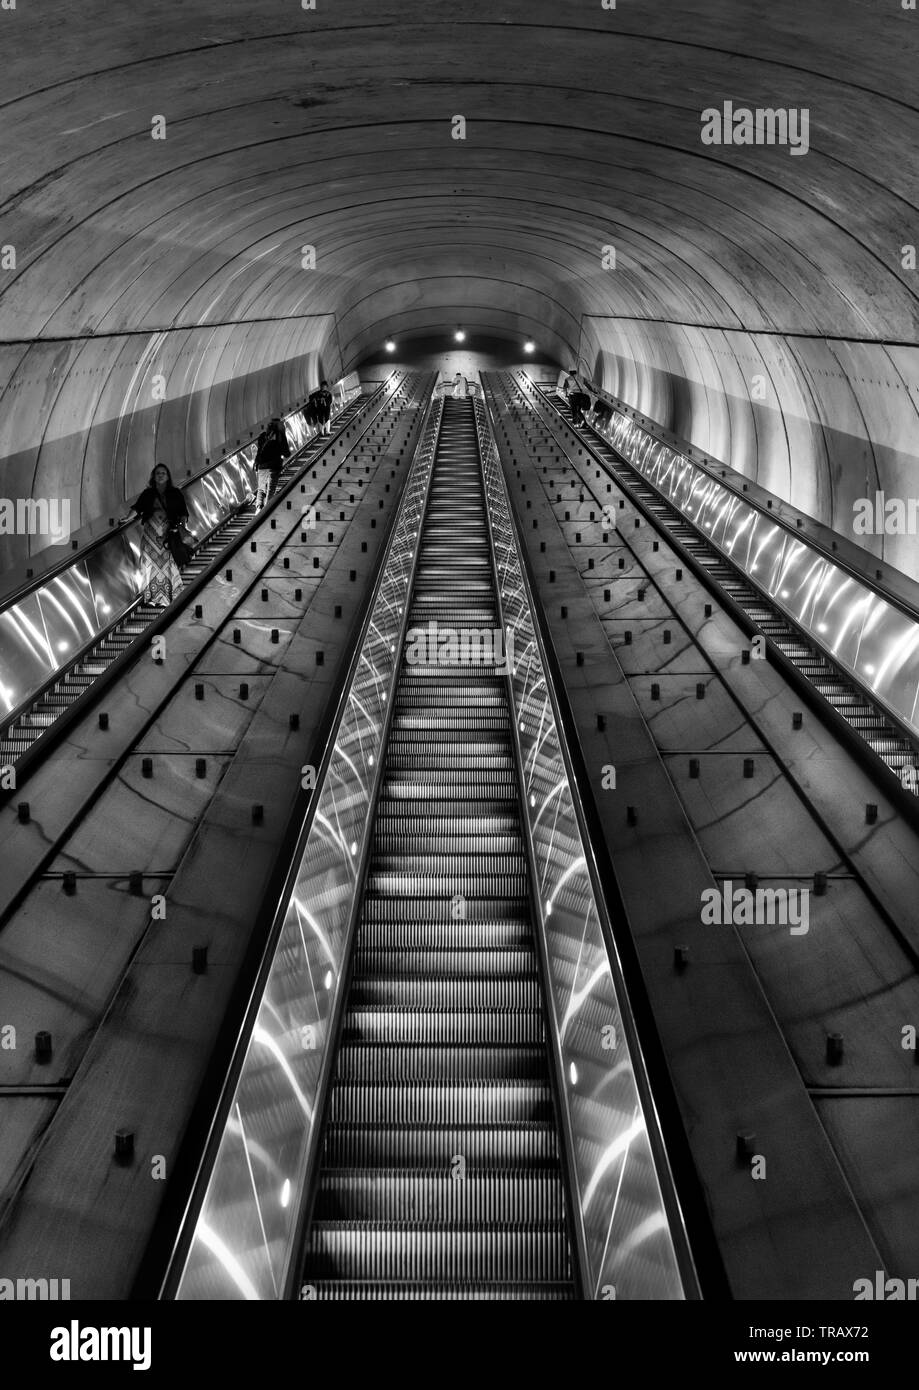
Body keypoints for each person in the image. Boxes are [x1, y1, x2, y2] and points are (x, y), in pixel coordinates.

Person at [121, 464, 189, 608]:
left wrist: (181, 526)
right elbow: (137, 507)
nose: (160, 475)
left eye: (163, 473)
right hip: (151, 533)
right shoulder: (148, 493)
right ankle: (151, 597)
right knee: (149, 563)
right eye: (158, 473)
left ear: (168, 476)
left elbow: (183, 511)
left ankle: (169, 596)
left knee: (167, 563)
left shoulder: (175, 493)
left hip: (167, 533)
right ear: (154, 476)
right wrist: (127, 518)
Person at [254, 418, 290, 510]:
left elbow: (259, 451)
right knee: (270, 491)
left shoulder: (262, 436)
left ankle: (258, 510)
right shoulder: (280, 436)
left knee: (261, 490)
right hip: (273, 467)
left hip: (261, 467)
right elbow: (287, 453)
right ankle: (266, 511)